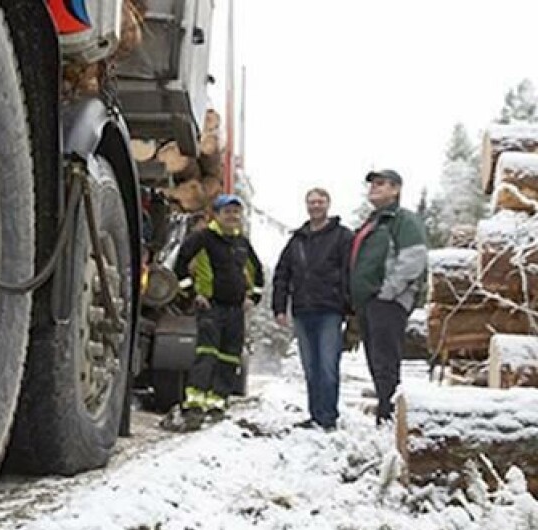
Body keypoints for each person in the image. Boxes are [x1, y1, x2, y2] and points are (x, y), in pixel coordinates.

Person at [163, 194, 263, 430]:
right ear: (216, 215)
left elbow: (257, 272)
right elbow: (181, 263)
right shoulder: (203, 238)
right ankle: (195, 403)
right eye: (227, 212)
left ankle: (218, 402)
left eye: (236, 212)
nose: (232, 216)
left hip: (235, 310)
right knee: (207, 354)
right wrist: (191, 294)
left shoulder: (242, 243)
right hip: (211, 307)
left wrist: (253, 297)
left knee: (229, 356)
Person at [349, 170, 428, 426]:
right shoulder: (374, 222)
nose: (374, 187)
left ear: (396, 190)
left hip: (388, 302)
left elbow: (414, 258)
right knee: (375, 360)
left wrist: (388, 291)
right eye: (372, 184)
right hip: (369, 303)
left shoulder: (402, 220)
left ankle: (391, 418)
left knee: (386, 361)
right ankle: (386, 413)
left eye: (381, 184)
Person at [272, 188, 352, 431]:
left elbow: (350, 272)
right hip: (302, 311)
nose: (316, 206)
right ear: (307, 206)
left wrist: (350, 308)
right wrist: (279, 308)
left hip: (330, 310)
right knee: (310, 367)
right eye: (312, 202)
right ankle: (315, 414)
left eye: (320, 202)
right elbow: (282, 275)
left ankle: (328, 417)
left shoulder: (342, 236)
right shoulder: (297, 240)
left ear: (328, 204)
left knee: (328, 365)